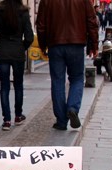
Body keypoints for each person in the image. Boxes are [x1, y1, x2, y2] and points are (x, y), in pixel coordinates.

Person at [36, 0, 98, 131]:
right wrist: (94, 45)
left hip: (55, 44)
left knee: (58, 81)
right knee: (77, 78)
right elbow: (92, 21)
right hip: (76, 44)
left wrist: (42, 45)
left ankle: (61, 120)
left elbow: (41, 24)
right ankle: (72, 107)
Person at [0, 0, 34, 131]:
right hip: (17, 53)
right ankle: (18, 116)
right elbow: (29, 37)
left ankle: (6, 120)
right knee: (18, 85)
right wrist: (21, 47)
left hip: (3, 53)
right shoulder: (23, 12)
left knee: (4, 87)